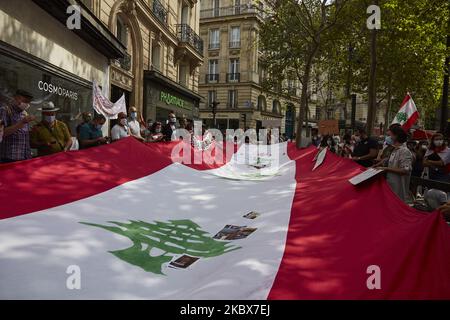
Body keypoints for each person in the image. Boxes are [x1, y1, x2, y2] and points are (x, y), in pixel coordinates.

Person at [374, 125, 413, 202]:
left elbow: (405, 170)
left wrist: (385, 169)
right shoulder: (393, 149)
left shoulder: (404, 151)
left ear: (396, 136)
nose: (388, 137)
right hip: (389, 187)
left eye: (390, 135)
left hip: (398, 190)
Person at [0, 89, 35, 163]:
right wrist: (21, 123)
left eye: (29, 102)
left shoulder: (25, 113)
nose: (27, 104)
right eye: (25, 101)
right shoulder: (5, 110)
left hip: (25, 157)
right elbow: (2, 133)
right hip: (9, 158)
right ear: (17, 98)